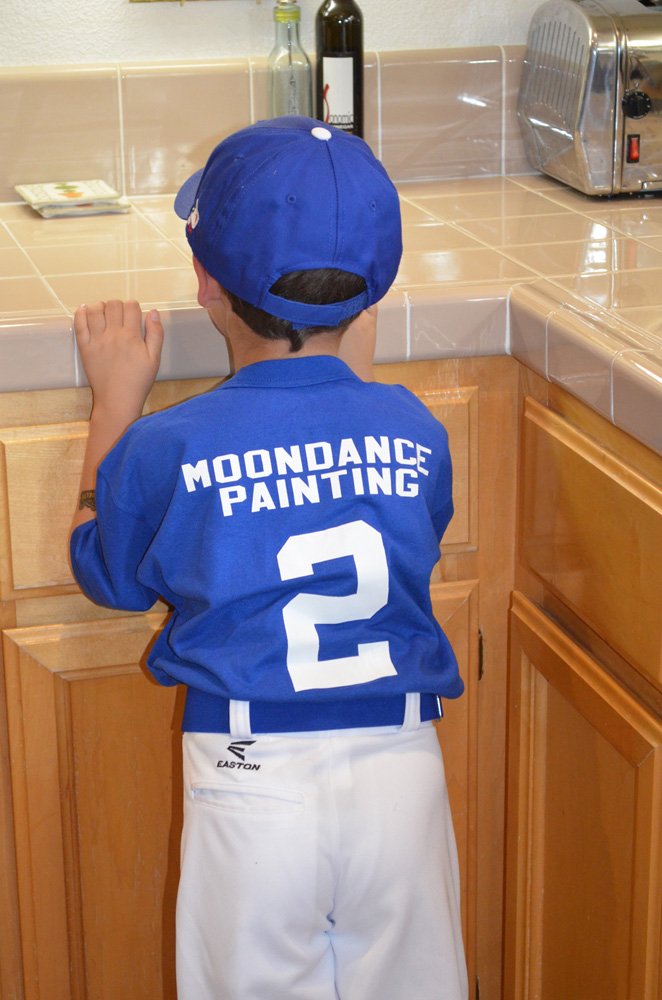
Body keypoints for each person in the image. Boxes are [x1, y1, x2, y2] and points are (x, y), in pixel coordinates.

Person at [69, 116, 468, 1000]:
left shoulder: (169, 444)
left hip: (251, 781)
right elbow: (410, 520)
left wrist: (115, 405)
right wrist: (349, 391)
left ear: (206, 282)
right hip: (402, 774)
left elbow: (110, 576)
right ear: (371, 294)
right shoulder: (416, 429)